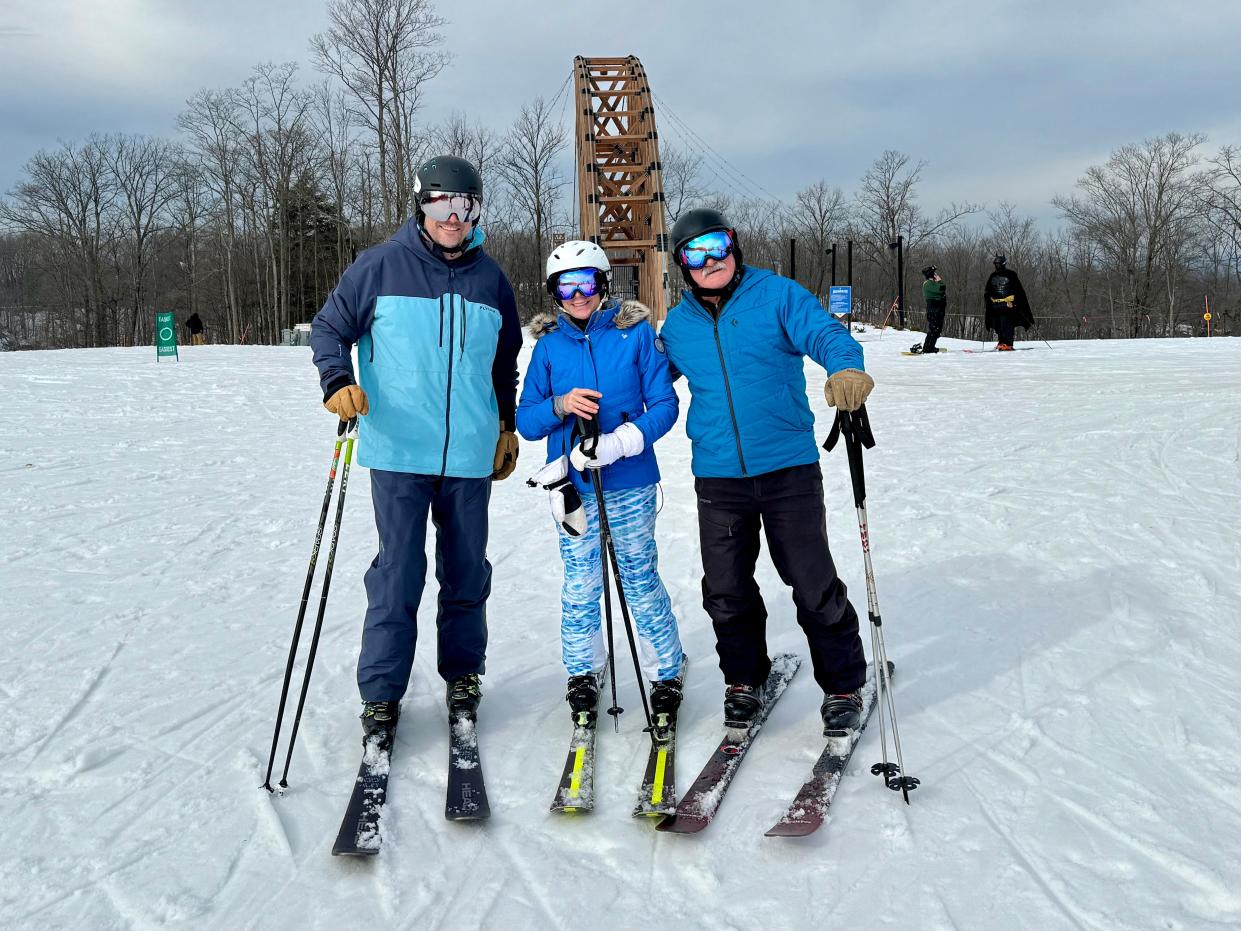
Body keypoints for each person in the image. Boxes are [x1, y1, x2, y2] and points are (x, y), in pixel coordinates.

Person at [309, 154, 523, 738]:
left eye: (467, 206)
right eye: (442, 204)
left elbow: (504, 363)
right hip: (400, 451)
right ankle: (381, 695)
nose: (454, 217)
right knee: (398, 575)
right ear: (421, 205)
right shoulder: (379, 266)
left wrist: (505, 425)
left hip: (469, 457)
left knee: (466, 574)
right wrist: (337, 380)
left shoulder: (491, 280)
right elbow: (330, 328)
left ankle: (462, 677)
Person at [657, 207, 875, 737]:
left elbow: (825, 334)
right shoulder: (679, 326)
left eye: (718, 246)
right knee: (725, 587)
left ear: (734, 245)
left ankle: (844, 685)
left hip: (788, 470)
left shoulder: (776, 295)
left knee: (811, 581)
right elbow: (647, 381)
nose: (710, 261)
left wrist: (846, 366)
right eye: (696, 253)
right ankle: (744, 680)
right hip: (718, 476)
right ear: (683, 264)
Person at [516, 241, 685, 726]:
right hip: (571, 487)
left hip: (629, 480)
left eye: (586, 283)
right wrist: (560, 405)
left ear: (603, 284)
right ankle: (583, 671)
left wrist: (622, 441)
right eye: (565, 286)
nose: (577, 295)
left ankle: (664, 671)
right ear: (554, 293)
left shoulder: (634, 336)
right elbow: (527, 422)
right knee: (581, 583)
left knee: (637, 576)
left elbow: (665, 406)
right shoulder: (548, 348)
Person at [983, 254, 1034, 350]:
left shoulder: (1011, 274)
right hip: (995, 305)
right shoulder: (993, 275)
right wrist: (988, 301)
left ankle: (1008, 343)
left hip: (1008, 305)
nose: (997, 265)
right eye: (996, 263)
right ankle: (1001, 342)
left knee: (1007, 323)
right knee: (998, 324)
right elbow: (988, 290)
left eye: (998, 263)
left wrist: (1016, 303)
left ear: (1003, 263)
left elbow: (1018, 290)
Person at [910, 266, 946, 354]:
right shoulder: (928, 284)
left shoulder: (932, 283)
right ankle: (927, 347)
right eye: (934, 273)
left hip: (939, 308)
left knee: (937, 329)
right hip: (934, 308)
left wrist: (938, 282)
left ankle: (931, 346)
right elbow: (942, 288)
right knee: (934, 328)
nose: (936, 275)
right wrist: (939, 281)